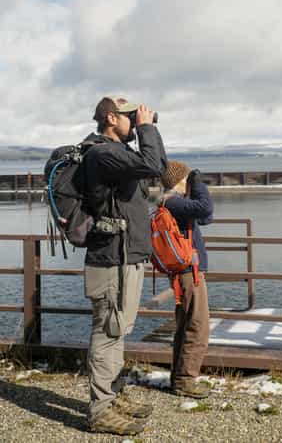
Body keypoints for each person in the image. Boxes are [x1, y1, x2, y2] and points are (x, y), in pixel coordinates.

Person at [83, 96, 167, 435]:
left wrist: (143, 129)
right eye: (130, 116)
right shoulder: (102, 152)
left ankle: (113, 396)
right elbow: (154, 166)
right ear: (111, 117)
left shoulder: (119, 154)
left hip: (125, 256)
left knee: (119, 330)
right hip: (110, 260)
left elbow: (154, 164)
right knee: (107, 332)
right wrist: (146, 127)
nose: (136, 120)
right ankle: (100, 410)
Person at [160, 160, 213, 398]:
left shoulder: (176, 204)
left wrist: (194, 187)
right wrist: (198, 181)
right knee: (197, 326)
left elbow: (206, 215)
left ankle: (179, 377)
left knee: (185, 326)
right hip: (189, 274)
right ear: (179, 181)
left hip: (185, 274)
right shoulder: (173, 202)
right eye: (186, 179)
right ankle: (185, 381)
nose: (189, 182)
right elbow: (204, 207)